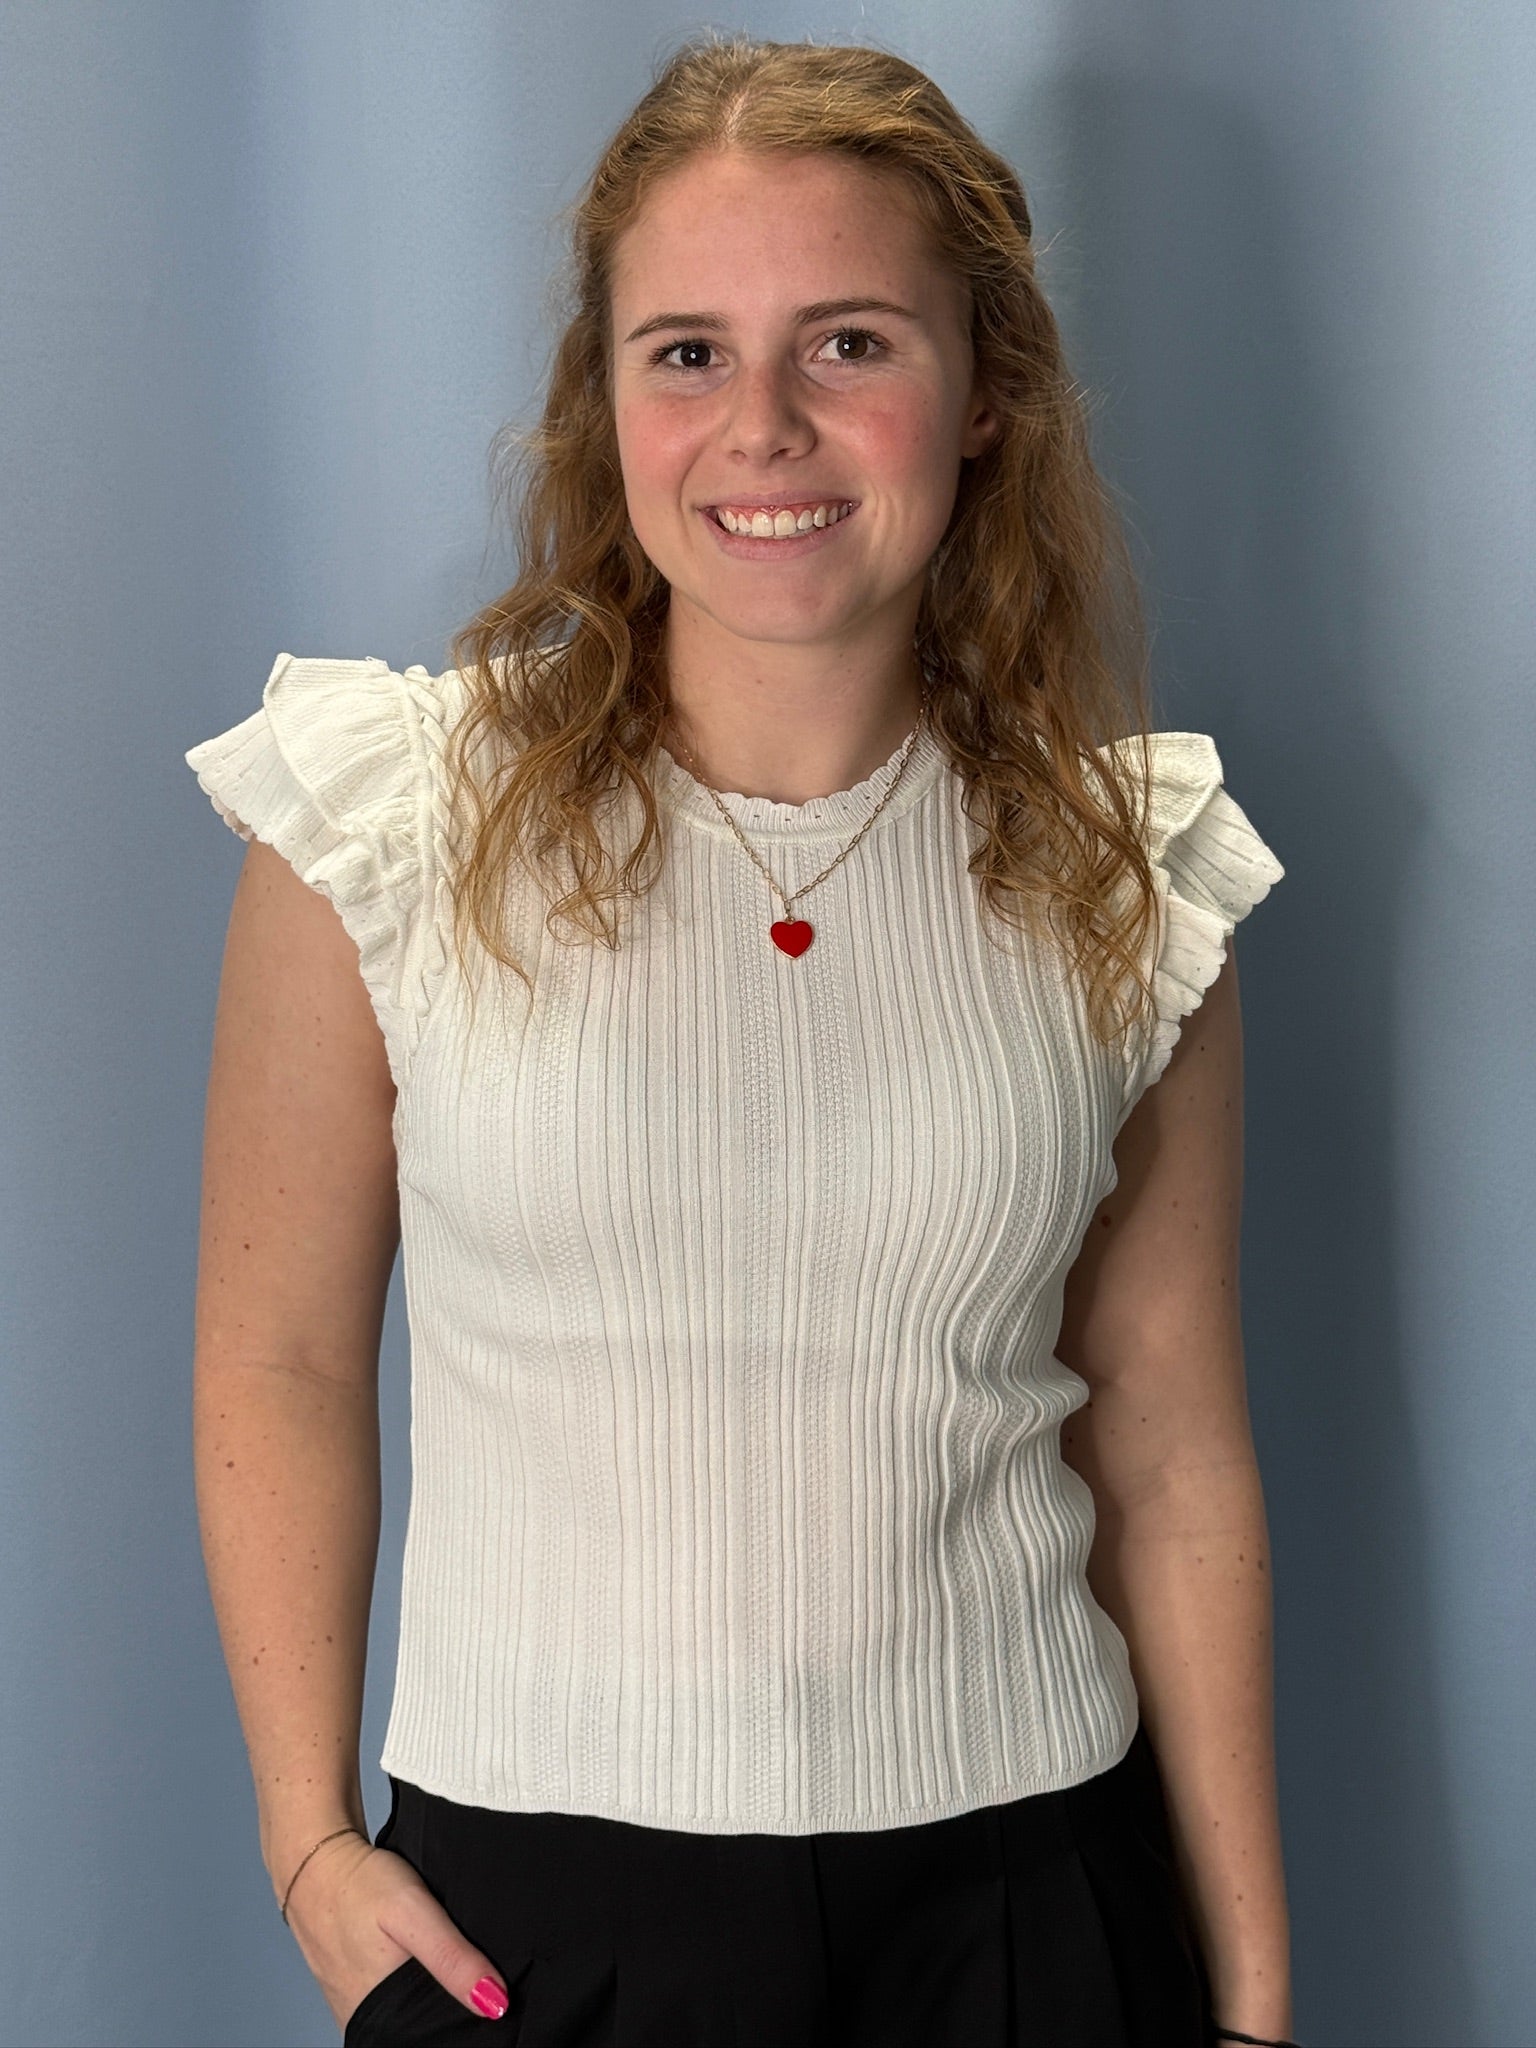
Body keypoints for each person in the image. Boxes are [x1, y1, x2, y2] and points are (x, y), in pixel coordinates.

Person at [183, 33, 1297, 2048]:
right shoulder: (385, 826)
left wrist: (1250, 1996)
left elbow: (1170, 1440)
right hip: (534, 1917)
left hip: (1032, 1915)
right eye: (686, 350)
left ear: (984, 401)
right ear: (603, 406)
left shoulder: (1130, 870)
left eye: (850, 340)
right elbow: (275, 1348)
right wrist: (305, 1841)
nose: (764, 425)